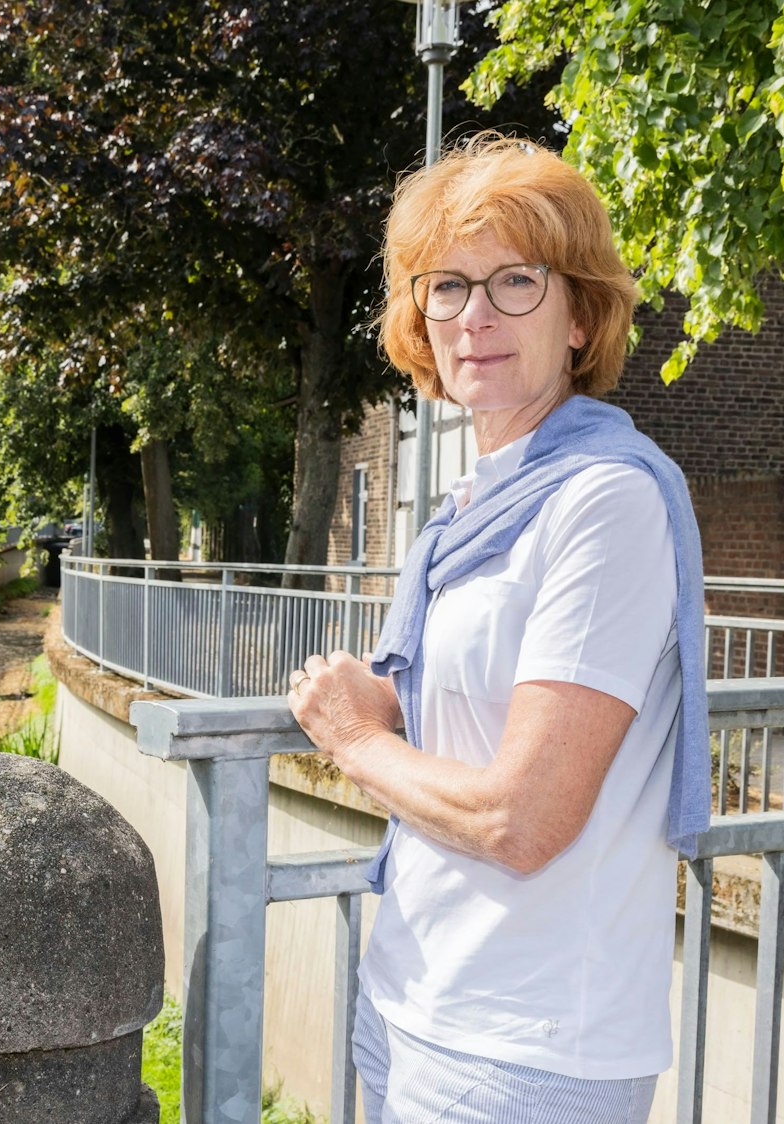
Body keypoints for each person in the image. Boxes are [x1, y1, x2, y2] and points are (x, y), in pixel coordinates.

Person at [285, 135, 711, 1123]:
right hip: (410, 994)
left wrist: (353, 737)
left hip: (527, 1043)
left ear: (580, 315)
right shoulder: (475, 504)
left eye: (516, 280)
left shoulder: (604, 501)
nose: (475, 315)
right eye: (448, 286)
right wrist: (390, 696)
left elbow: (522, 819)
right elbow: (471, 699)